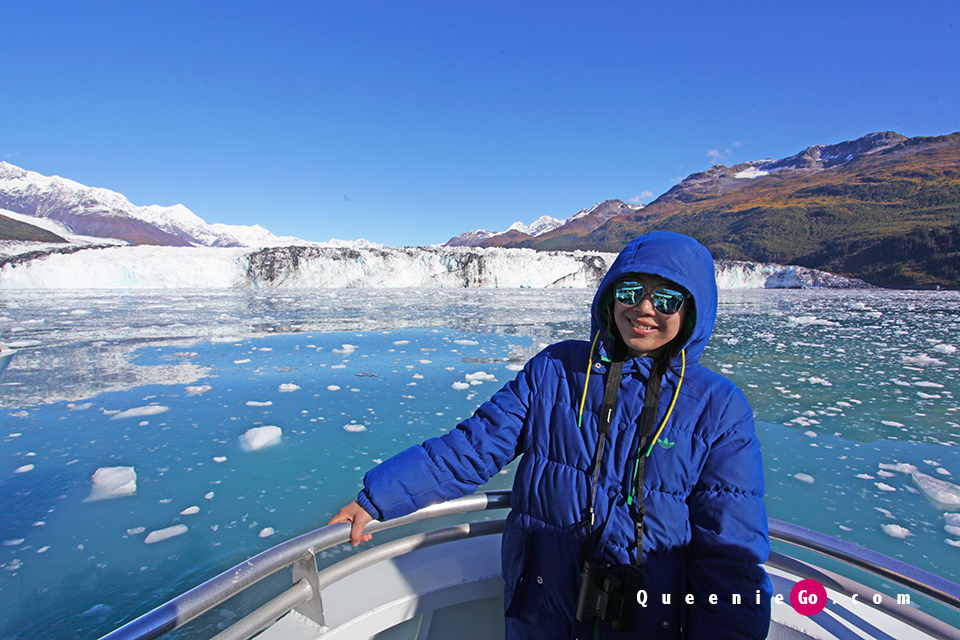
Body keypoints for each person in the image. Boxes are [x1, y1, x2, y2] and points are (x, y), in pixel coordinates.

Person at [329, 231, 772, 639]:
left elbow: (730, 550)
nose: (644, 309)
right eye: (630, 291)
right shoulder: (556, 370)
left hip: (649, 617)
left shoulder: (718, 406)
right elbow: (473, 446)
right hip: (543, 605)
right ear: (610, 296)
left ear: (692, 311)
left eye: (668, 299)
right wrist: (379, 497)